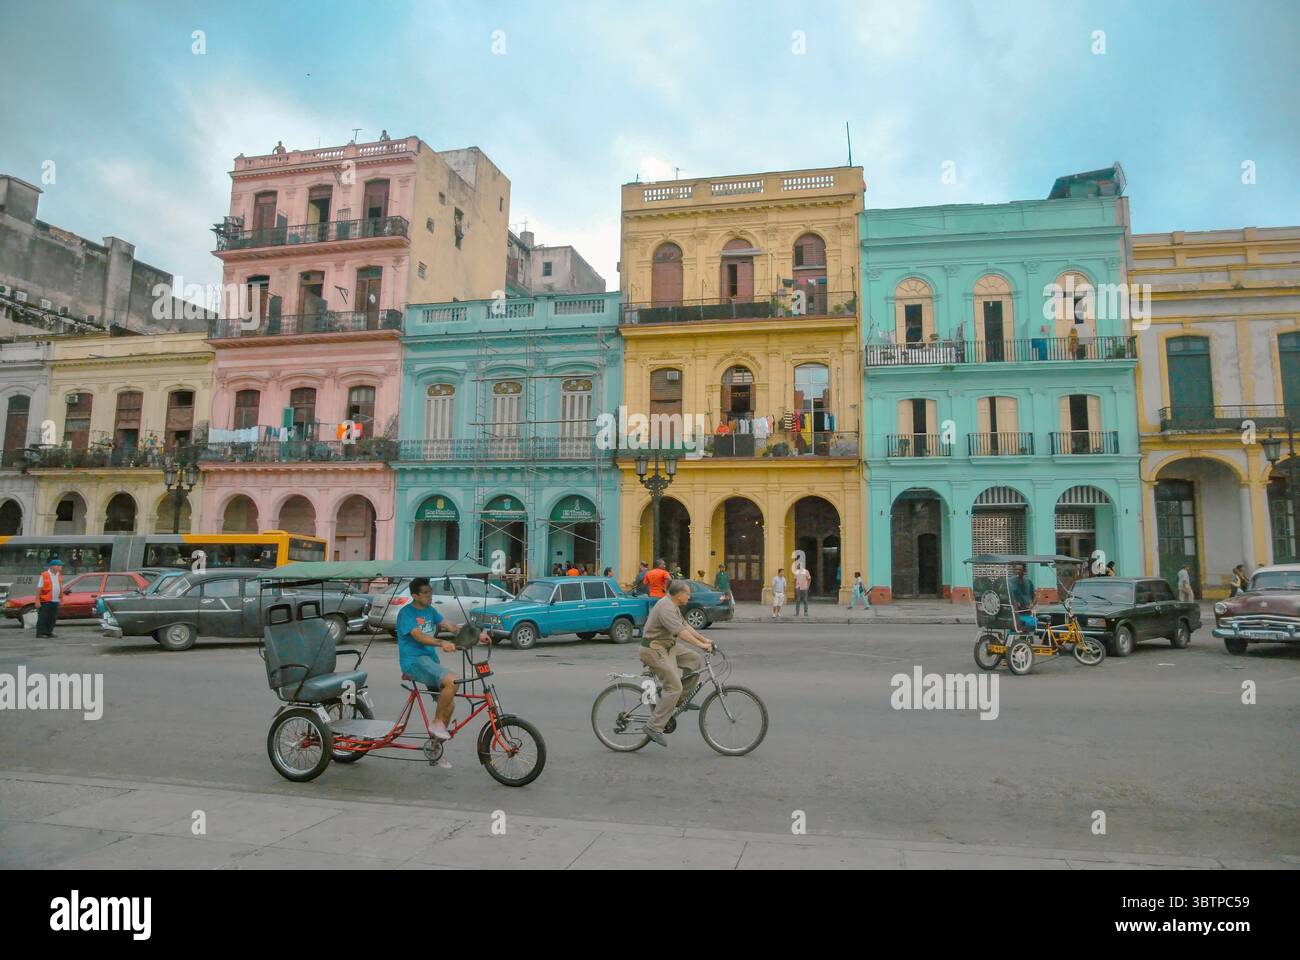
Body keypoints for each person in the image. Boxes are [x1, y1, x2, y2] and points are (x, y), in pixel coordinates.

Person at [395, 577, 489, 764]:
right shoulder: (406, 614)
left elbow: (451, 626)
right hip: (414, 661)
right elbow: (419, 636)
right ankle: (437, 723)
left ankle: (434, 747)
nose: (430, 596)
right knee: (452, 680)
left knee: (450, 704)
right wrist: (442, 642)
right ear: (415, 595)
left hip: (429, 662)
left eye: (431, 592)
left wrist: (478, 635)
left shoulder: (430, 611)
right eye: (426, 593)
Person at [637, 581, 713, 747]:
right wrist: (701, 646)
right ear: (679, 594)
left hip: (667, 646)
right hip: (654, 649)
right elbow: (680, 633)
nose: (689, 596)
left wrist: (704, 640)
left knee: (694, 660)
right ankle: (654, 726)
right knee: (673, 687)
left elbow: (685, 626)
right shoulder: (665, 607)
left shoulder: (673, 605)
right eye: (687, 593)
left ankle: (679, 699)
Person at [35, 557, 63, 638]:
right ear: (53, 566)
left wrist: (61, 598)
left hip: (55, 600)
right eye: (59, 565)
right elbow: (39, 588)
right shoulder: (44, 575)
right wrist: (37, 600)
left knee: (52, 618)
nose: (61, 567)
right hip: (45, 600)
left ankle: (49, 632)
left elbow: (60, 587)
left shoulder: (59, 575)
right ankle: (40, 633)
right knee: (43, 617)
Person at [1008, 563, 1036, 631]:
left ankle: (1026, 640)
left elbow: (1035, 596)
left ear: (1024, 571)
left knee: (1027, 630)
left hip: (1026, 610)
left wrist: (1032, 604)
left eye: (1020, 569)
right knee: (1013, 630)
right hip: (1014, 611)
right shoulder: (1010, 582)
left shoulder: (1028, 582)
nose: (1018, 571)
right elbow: (1006, 594)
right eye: (1016, 569)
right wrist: (1013, 603)